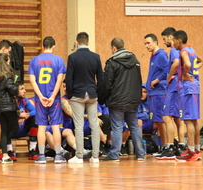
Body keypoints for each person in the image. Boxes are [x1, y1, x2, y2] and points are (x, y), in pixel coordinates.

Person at [99, 37, 144, 161]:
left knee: (117, 127)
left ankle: (114, 155)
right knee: (134, 126)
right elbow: (139, 80)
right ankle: (140, 154)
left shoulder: (112, 62)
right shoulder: (135, 60)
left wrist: (102, 98)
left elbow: (107, 84)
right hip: (133, 100)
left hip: (117, 100)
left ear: (114, 48)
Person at [65, 32, 104, 164]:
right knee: (94, 124)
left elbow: (68, 79)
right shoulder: (96, 57)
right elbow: (101, 78)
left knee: (79, 125)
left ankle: (80, 156)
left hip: (77, 94)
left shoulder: (72, 57)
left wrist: (70, 94)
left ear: (76, 42)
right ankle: (95, 157)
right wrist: (96, 91)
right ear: (88, 42)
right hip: (92, 94)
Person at [28, 36, 66, 164]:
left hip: (40, 100)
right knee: (56, 127)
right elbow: (59, 81)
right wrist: (52, 97)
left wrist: (40, 96)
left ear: (43, 46)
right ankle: (58, 155)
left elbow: (32, 80)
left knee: (42, 127)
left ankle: (42, 156)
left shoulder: (34, 60)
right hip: (53, 100)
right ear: (54, 46)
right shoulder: (59, 60)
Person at [172, 30, 203, 162]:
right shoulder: (192, 50)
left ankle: (191, 151)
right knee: (194, 120)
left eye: (174, 41)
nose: (173, 43)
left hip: (188, 88)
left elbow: (187, 64)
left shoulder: (184, 52)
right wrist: (193, 73)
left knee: (188, 120)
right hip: (195, 87)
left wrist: (186, 73)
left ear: (179, 40)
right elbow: (202, 61)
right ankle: (196, 149)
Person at [155, 27, 185, 160]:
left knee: (166, 118)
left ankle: (170, 148)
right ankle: (182, 146)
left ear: (170, 37)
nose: (163, 42)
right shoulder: (183, 51)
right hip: (180, 86)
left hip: (174, 86)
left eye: (164, 39)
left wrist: (169, 76)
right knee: (178, 118)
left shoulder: (173, 50)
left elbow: (176, 63)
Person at [144, 33, 169, 154]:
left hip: (159, 92)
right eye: (145, 44)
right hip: (153, 93)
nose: (146, 46)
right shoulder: (153, 56)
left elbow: (168, 70)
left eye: (148, 43)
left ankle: (166, 146)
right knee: (158, 122)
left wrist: (156, 80)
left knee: (161, 120)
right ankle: (162, 147)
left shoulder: (161, 55)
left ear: (155, 42)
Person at [9, 82, 38, 160]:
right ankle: (9, 151)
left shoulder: (24, 100)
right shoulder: (9, 101)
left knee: (36, 119)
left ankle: (32, 150)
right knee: (5, 121)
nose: (25, 91)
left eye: (24, 88)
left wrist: (27, 115)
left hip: (23, 129)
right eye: (22, 89)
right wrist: (18, 115)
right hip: (11, 130)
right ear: (14, 91)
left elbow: (36, 110)